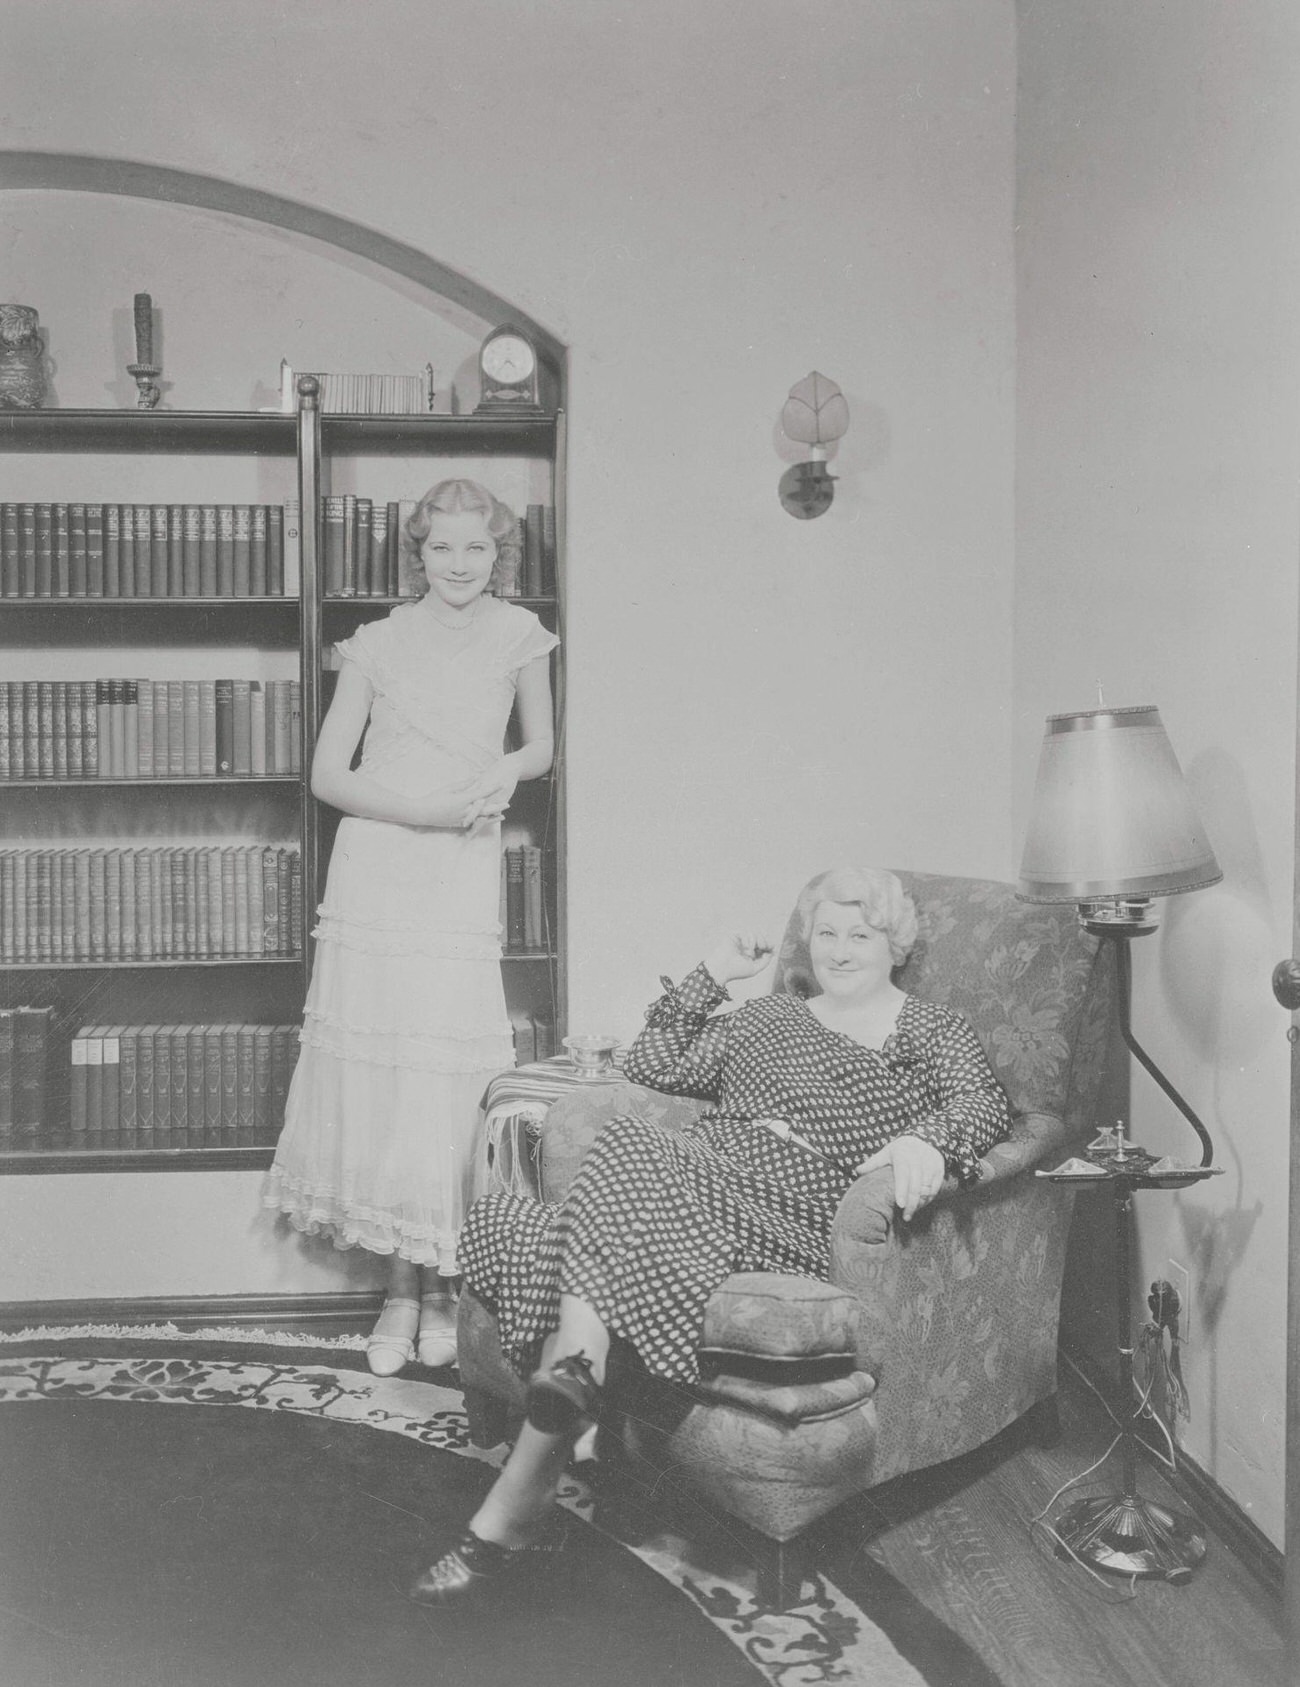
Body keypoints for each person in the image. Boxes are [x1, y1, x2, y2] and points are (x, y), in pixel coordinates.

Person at [409, 866, 1012, 1605]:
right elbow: (651, 1061)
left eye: (862, 932)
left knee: (628, 1147)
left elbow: (986, 1107)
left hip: (798, 1204)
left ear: (897, 945)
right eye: (827, 931)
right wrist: (713, 973)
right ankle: (568, 1395)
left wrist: (929, 1141)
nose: (841, 948)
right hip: (701, 1179)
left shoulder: (929, 1029)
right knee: (505, 1216)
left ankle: (549, 1429)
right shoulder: (767, 1017)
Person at [263, 478, 557, 1375]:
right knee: (387, 1070)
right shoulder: (378, 643)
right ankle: (399, 1292)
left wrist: (491, 778)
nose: (459, 565)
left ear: (497, 554)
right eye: (441, 548)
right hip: (384, 859)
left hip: (461, 864)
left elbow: (541, 745)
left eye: (476, 549)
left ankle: (444, 1286)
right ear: (418, 553)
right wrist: (420, 813)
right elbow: (326, 774)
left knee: (446, 1073)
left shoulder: (520, 635)